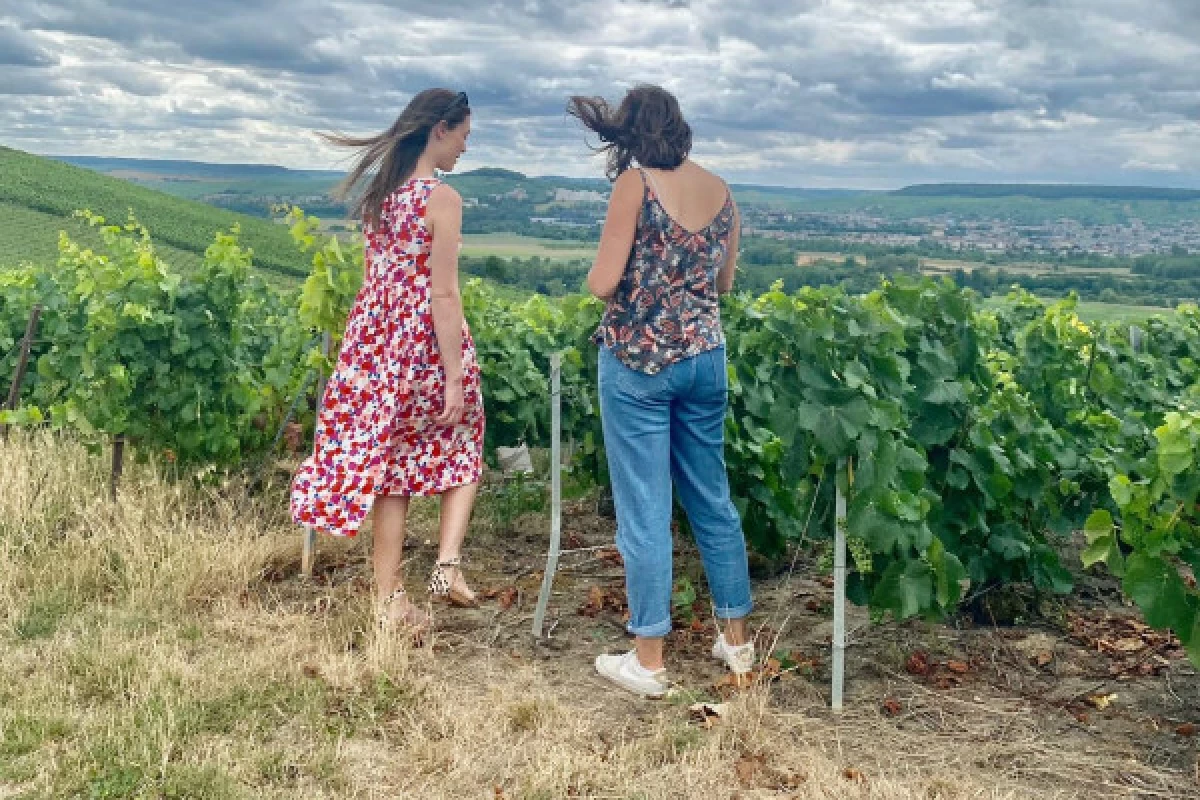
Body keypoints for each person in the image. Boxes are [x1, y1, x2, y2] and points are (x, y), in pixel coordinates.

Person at [567, 85, 755, 697]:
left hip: (638, 362)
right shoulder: (722, 192)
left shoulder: (635, 184)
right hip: (706, 359)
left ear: (630, 131)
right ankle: (737, 642)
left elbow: (601, 283)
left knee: (645, 509)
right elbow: (722, 283)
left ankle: (648, 662)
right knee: (711, 497)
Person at [291, 88, 484, 638]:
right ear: (440, 129)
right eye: (464, 136)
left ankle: (389, 599)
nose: (465, 149)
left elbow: (380, 277)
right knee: (466, 432)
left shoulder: (382, 193)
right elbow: (442, 293)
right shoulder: (440, 197)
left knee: (391, 468)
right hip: (422, 341)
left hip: (373, 341)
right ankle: (446, 566)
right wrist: (452, 374)